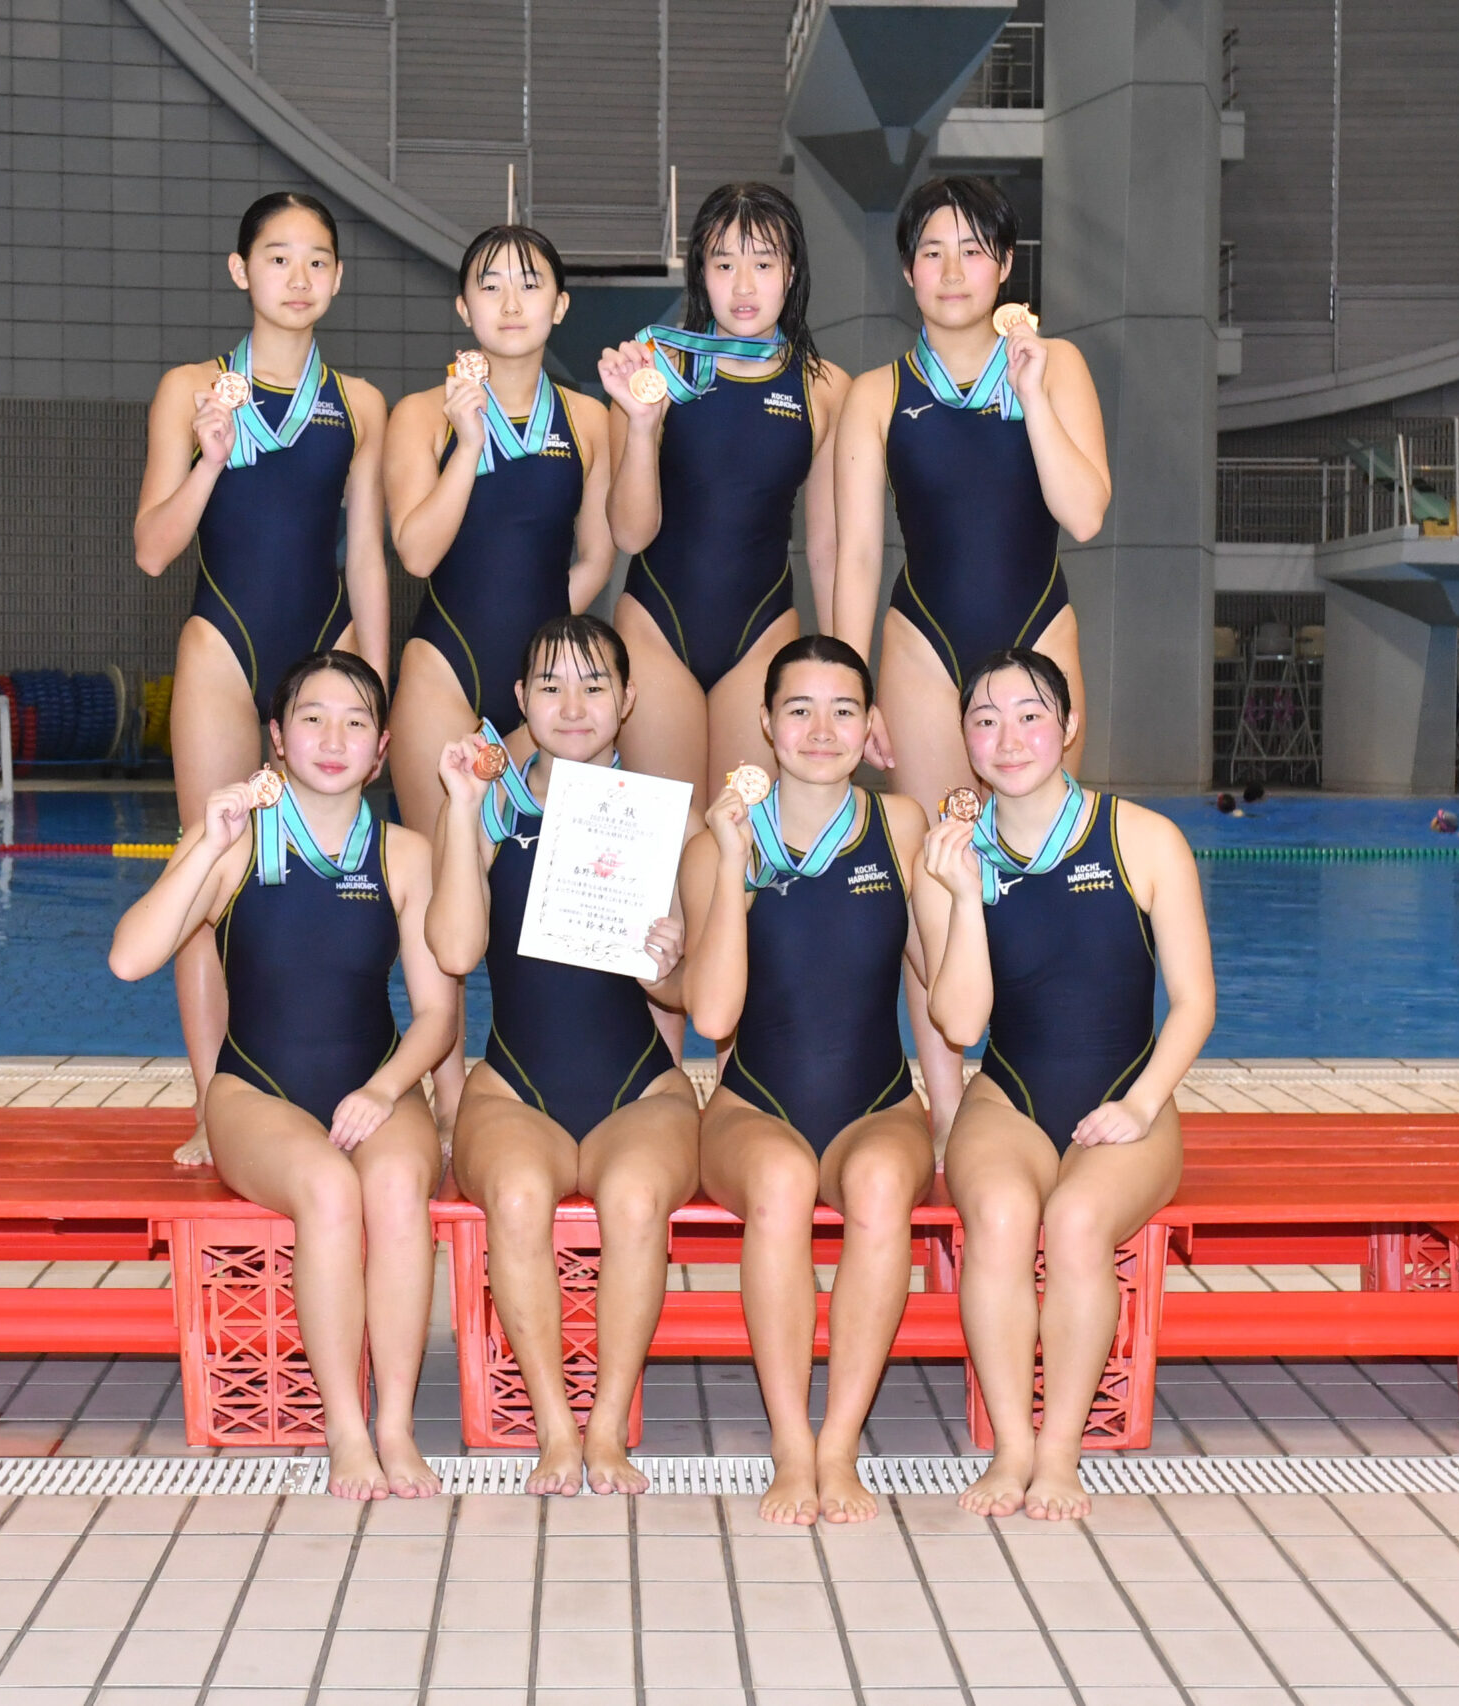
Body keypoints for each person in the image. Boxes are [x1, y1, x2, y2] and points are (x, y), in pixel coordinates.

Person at [108, 652, 454, 1501]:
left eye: (355, 723)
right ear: (276, 736)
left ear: (382, 749)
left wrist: (384, 1090)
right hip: (255, 1092)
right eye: (312, 719)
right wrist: (206, 843)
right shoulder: (234, 845)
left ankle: (396, 1423)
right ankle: (345, 1429)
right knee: (329, 1190)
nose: (333, 740)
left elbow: (438, 1017)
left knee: (397, 1186)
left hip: (375, 1082)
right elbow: (130, 959)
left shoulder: (405, 855)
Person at [831, 176, 1112, 1138]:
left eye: (974, 250)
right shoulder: (877, 393)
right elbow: (856, 553)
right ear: (907, 270)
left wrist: (1029, 392)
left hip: (1037, 635)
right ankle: (950, 1111)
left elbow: (1084, 513)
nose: (953, 271)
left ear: (1005, 266)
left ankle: (1044, 1081)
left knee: (1040, 861)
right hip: (922, 645)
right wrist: (851, 690)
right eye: (932, 251)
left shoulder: (1057, 365)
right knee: (933, 873)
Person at [915, 649, 1213, 1523]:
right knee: (1004, 1214)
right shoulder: (948, 856)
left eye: (1030, 716)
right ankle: (1012, 1446)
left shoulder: (1142, 839)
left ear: (1070, 725)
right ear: (965, 739)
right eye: (986, 720)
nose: (1008, 738)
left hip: (1127, 1093)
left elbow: (1195, 1001)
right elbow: (961, 1024)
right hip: (1008, 1096)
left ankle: (1059, 1451)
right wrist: (963, 896)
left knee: (1078, 1220)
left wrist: (1141, 1104)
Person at [132, 193, 389, 1166]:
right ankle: (215, 1105)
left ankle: (324, 1081)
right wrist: (208, 458)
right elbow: (153, 549)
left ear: (337, 278)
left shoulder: (357, 403)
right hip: (222, 648)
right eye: (277, 258)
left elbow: (366, 556)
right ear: (241, 270)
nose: (298, 278)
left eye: (316, 260)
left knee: (324, 883)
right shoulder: (191, 388)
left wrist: (373, 686)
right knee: (208, 877)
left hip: (326, 654)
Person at [425, 614, 701, 1496]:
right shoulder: (488, 809)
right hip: (516, 1088)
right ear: (520, 699)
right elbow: (455, 952)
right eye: (550, 686)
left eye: (593, 685)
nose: (573, 705)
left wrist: (670, 961)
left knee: (634, 1198)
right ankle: (554, 1429)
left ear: (628, 699)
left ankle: (608, 1429)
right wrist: (460, 809)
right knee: (514, 1196)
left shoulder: (661, 820)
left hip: (639, 1090)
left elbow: (683, 999)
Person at [680, 635, 934, 1526]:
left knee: (880, 1185)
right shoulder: (719, 841)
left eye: (843, 710)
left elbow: (940, 985)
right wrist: (730, 862)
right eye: (799, 710)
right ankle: (793, 1444)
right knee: (783, 1182)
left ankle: (840, 1444)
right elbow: (712, 1016)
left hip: (879, 1107)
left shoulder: (901, 827)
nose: (821, 730)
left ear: (871, 726)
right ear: (765, 723)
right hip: (754, 1109)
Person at [598, 183, 850, 803]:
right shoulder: (654, 368)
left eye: (762, 263)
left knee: (742, 834)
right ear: (700, 274)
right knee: (668, 836)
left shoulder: (824, 387)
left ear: (791, 273)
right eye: (723, 264)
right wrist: (641, 425)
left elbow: (827, 548)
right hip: (656, 630)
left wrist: (846, 673)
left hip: (763, 634)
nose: (743, 286)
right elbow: (629, 534)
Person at [386, 224, 616, 840]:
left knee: (537, 870)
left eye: (530, 285)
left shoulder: (589, 420)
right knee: (441, 869)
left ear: (559, 305)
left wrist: (545, 639)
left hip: (550, 679)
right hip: (444, 668)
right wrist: (467, 446)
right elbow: (416, 555)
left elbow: (598, 556)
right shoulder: (420, 415)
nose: (511, 304)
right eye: (490, 287)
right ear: (464, 307)